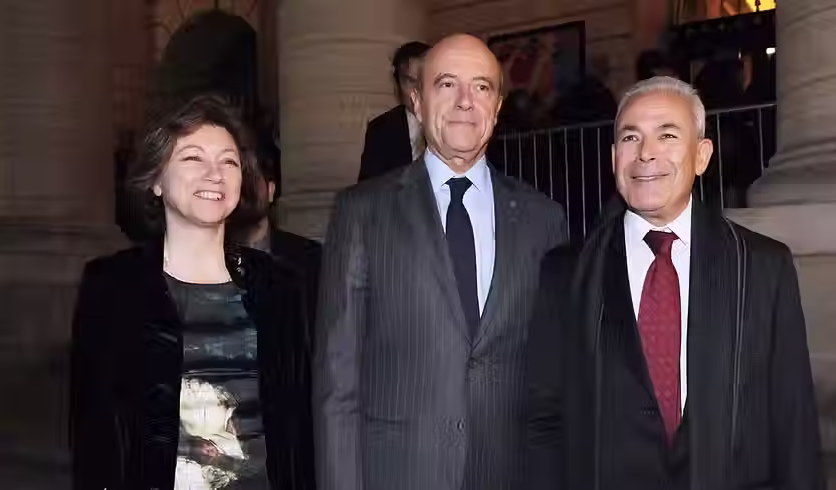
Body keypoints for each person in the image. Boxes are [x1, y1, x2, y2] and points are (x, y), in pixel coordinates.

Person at [527, 77, 825, 490]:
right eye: (631, 138)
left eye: (667, 135)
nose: (646, 153)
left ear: (701, 155)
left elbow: (793, 423)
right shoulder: (566, 272)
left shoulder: (762, 267)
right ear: (614, 157)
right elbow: (544, 420)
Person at [315, 34, 567, 490]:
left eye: (482, 87)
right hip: (398, 474)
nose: (465, 102)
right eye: (447, 85)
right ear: (417, 99)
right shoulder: (362, 213)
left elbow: (555, 384)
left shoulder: (544, 220)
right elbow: (337, 383)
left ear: (498, 105)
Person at [69, 95, 315, 490]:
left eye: (229, 161)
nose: (214, 174)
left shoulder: (281, 284)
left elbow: (300, 424)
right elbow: (95, 433)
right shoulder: (112, 286)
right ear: (155, 180)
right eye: (193, 158)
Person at [231, 129, 323, 322]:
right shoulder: (204, 262)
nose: (242, 190)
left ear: (271, 191)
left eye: (251, 179)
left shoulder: (312, 260)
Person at [358, 41, 431, 182]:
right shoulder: (380, 130)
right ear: (397, 83)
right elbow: (368, 192)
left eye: (425, 80)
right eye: (410, 81)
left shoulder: (456, 122)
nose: (418, 90)